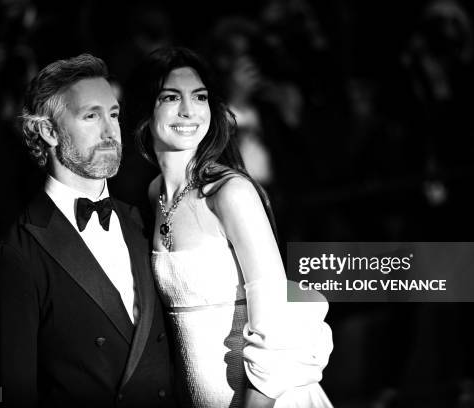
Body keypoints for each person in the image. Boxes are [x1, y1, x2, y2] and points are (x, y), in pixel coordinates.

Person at [129, 46, 333, 408]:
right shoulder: (154, 193)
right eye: (171, 97)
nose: (189, 111)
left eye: (200, 97)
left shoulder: (231, 193)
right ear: (147, 108)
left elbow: (277, 326)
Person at [0, 54, 175, 407]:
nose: (110, 131)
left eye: (114, 114)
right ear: (49, 131)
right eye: (91, 116)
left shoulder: (142, 220)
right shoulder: (17, 252)